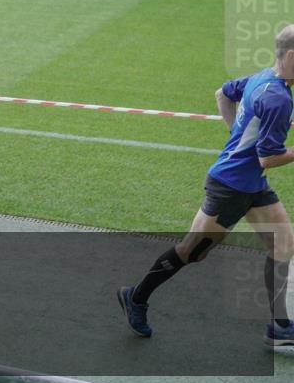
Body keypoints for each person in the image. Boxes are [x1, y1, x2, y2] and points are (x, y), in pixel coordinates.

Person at [118, 24, 294, 346]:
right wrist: (242, 146)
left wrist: (235, 139)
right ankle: (136, 297)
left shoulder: (262, 78)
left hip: (252, 185)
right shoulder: (280, 98)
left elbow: (222, 94)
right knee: (191, 252)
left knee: (283, 244)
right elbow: (268, 158)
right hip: (230, 187)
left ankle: (279, 326)